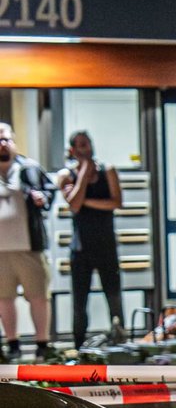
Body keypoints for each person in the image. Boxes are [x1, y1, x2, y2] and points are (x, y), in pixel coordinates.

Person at [58, 130, 126, 347]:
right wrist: (84, 176)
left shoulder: (108, 171)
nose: (84, 149)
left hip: (105, 245)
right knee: (80, 301)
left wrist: (84, 200)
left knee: (114, 297)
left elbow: (115, 202)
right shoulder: (66, 175)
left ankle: (119, 341)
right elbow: (74, 204)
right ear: (72, 150)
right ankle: (78, 346)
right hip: (80, 249)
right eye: (79, 145)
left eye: (86, 144)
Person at [0, 122, 58, 360]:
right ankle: (12, 343)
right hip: (2, 250)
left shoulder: (30, 168)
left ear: (13, 141)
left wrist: (42, 198)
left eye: (5, 139)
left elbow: (50, 191)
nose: (2, 144)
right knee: (4, 298)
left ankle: (42, 344)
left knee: (38, 296)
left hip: (29, 246)